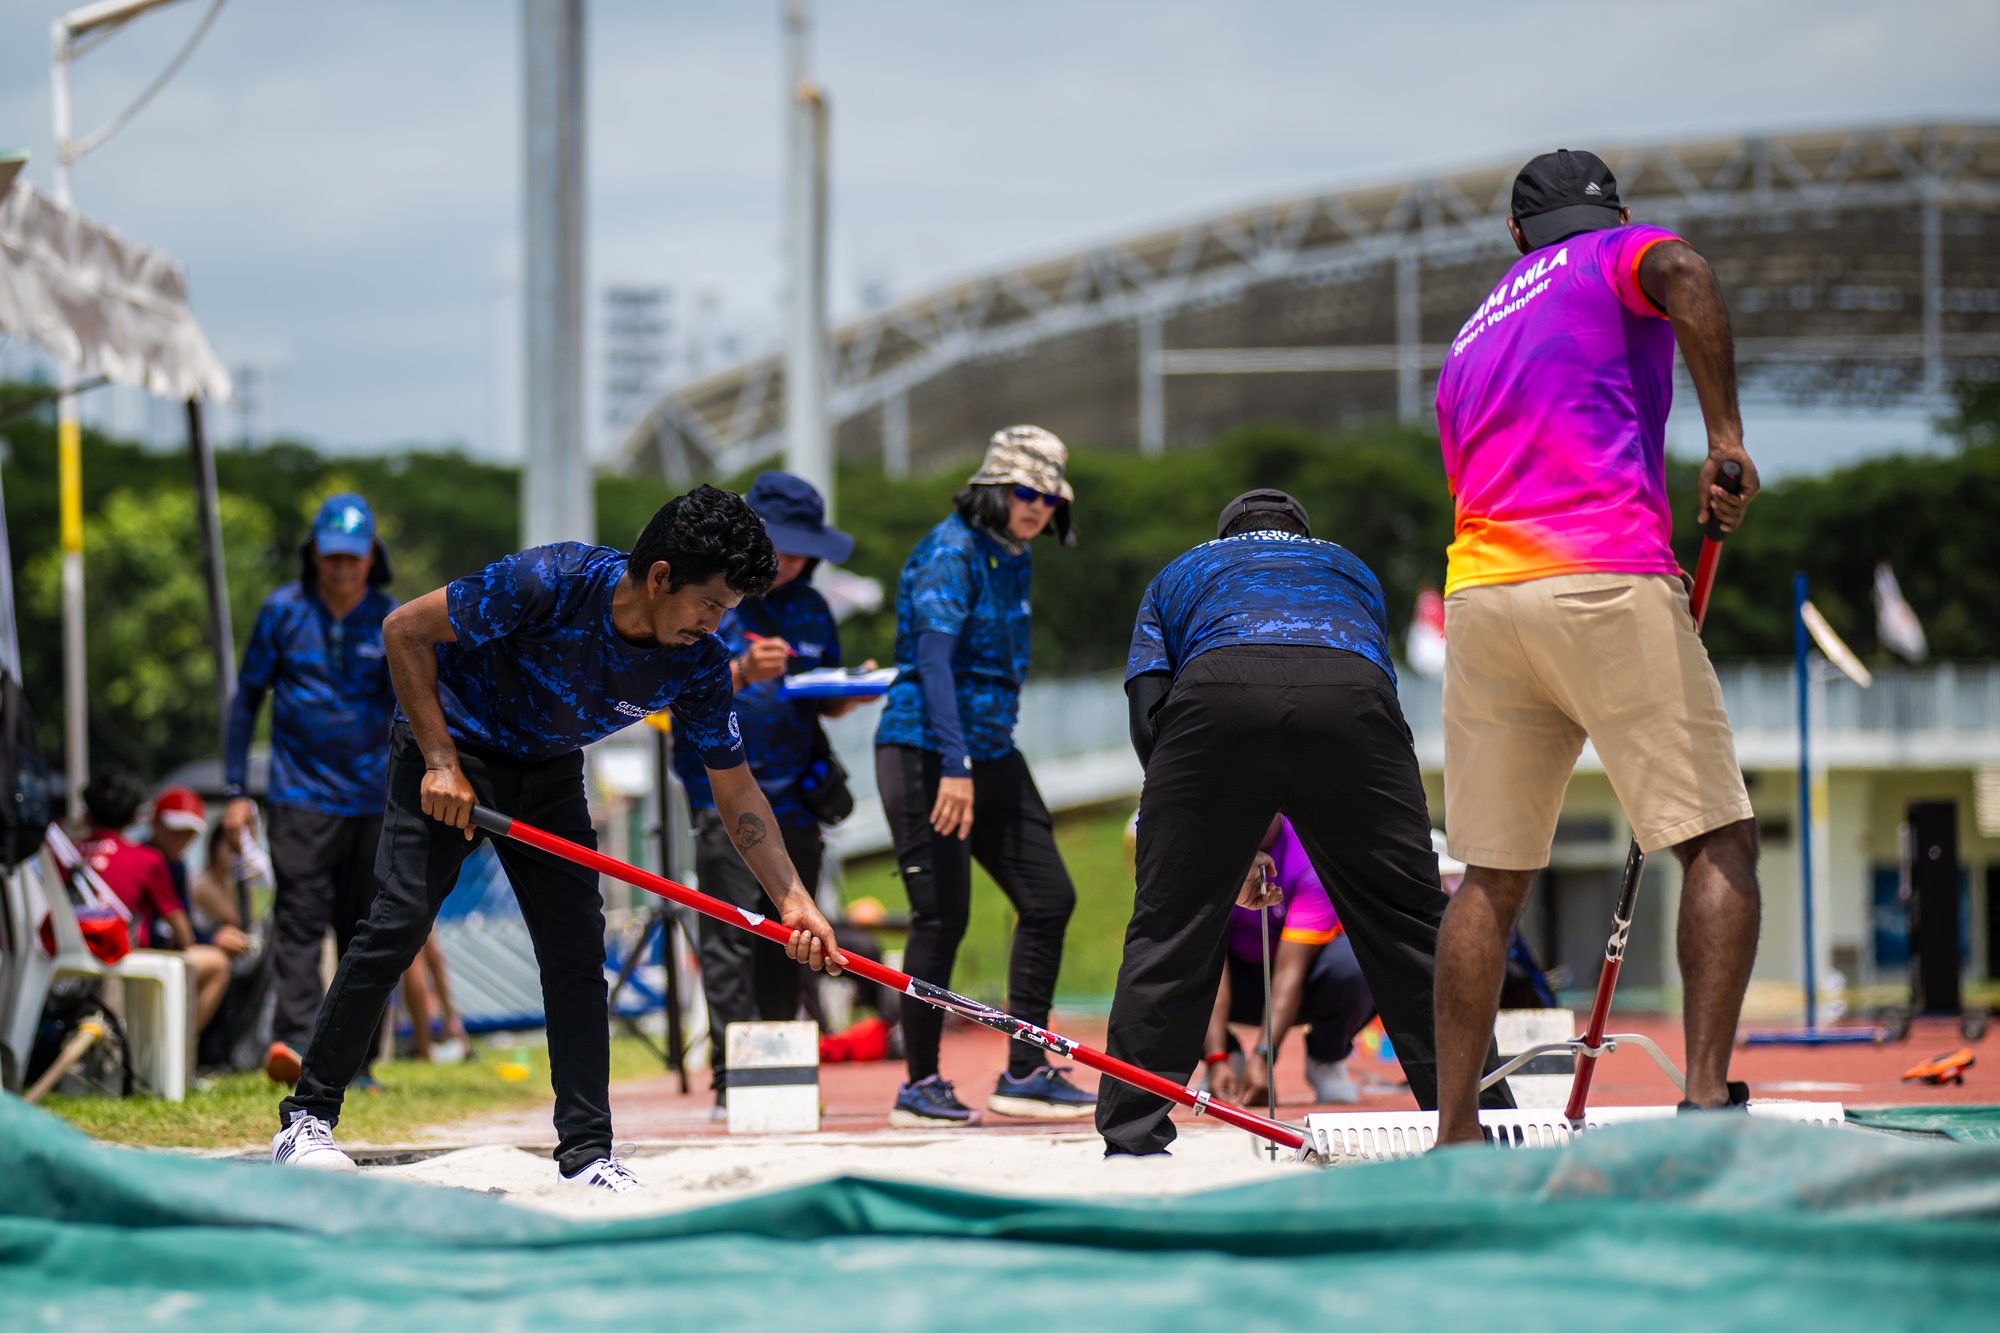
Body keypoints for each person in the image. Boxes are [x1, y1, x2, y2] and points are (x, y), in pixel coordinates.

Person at [271, 484, 843, 1189]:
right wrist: (443, 763)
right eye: (711, 603)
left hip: (547, 770)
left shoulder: (696, 661)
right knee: (399, 921)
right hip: (455, 747)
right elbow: (404, 630)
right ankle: (307, 1118)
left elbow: (737, 789)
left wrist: (792, 897)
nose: (716, 622)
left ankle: (587, 1154)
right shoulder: (551, 580)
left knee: (576, 950)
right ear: (661, 575)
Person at [1430, 148, 1761, 1145]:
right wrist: (1724, 437)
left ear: (1514, 234)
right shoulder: (1618, 254)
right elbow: (1687, 275)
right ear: (1612, 212)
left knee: (1487, 874)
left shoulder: (1467, 336)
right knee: (1713, 833)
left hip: (1482, 600)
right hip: (1602, 575)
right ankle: (1701, 1095)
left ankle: (1452, 1128)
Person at [1100, 489, 1514, 1158]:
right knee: (1411, 920)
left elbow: (1149, 715)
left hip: (1217, 692)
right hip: (1350, 698)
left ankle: (1133, 1128)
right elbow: (1369, 682)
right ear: (1301, 531)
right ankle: (1481, 1117)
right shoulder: (1349, 567)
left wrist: (1216, 844)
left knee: (1170, 920)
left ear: (1226, 533)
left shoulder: (1179, 573)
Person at [873, 425, 1093, 1126]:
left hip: (993, 749)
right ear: (993, 488)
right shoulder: (951, 550)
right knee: (943, 916)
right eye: (1024, 492)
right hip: (927, 750)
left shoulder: (1015, 553)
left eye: (1048, 497)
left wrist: (977, 757)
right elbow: (935, 662)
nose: (1035, 507)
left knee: (1049, 896)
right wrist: (955, 764)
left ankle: (1025, 1069)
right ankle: (919, 1084)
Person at [672, 472, 871, 1121]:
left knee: (797, 936)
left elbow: (826, 700)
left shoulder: (813, 607)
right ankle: (732, 1080)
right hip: (721, 795)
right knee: (728, 936)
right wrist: (740, 669)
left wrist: (853, 688)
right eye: (777, 546)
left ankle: (776, 1072)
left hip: (797, 801)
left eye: (798, 549)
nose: (787, 561)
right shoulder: (714, 596)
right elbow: (672, 688)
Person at [223, 493, 398, 1087]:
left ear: (371, 556)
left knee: (367, 932)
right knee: (298, 925)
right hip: (297, 798)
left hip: (373, 801)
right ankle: (298, 1046)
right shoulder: (282, 612)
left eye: (353, 557)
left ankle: (359, 1061)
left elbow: (414, 706)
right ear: (314, 556)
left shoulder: (391, 618)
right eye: (332, 557)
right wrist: (235, 789)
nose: (342, 568)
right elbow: (246, 700)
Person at [1199, 817, 1376, 1110]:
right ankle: (1226, 1060)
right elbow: (1209, 964)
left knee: (1356, 963)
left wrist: (1264, 1057)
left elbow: (1289, 971)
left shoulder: (1308, 854)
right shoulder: (1206, 853)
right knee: (1172, 965)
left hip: (1299, 980)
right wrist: (1217, 1056)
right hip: (1232, 979)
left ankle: (1326, 1058)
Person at [76, 770, 243, 1032]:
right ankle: (178, 1050)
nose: (183, 839)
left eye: (189, 832)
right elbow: (183, 934)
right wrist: (210, 939)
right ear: (141, 819)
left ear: (86, 815)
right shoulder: (146, 859)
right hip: (125, 954)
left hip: (67, 951)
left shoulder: (65, 853)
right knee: (217, 963)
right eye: (177, 829)